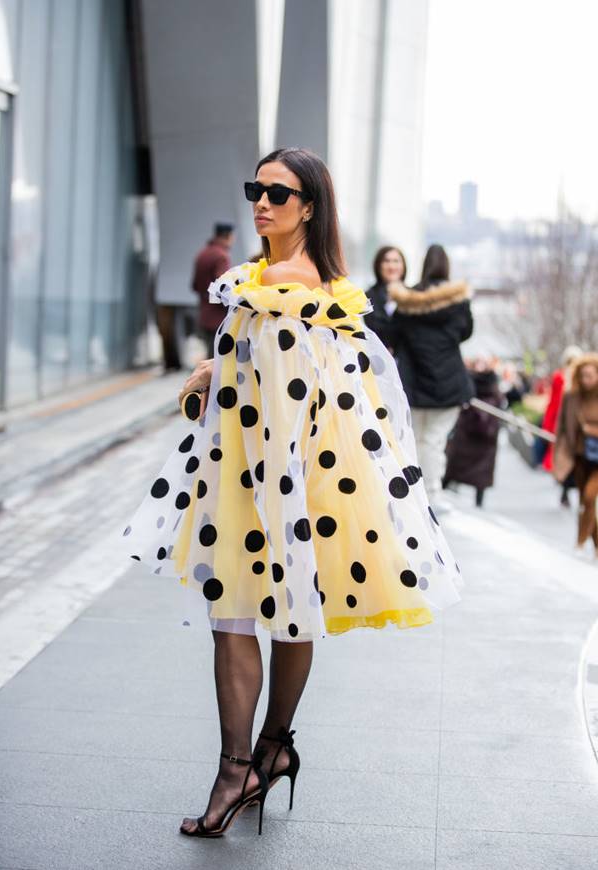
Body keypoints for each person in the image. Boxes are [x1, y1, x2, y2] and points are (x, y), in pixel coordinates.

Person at [121, 148, 463, 839]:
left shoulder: (281, 282)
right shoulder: (309, 286)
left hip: (264, 469)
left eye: (279, 192)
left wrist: (237, 421)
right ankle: (272, 750)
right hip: (306, 472)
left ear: (310, 206)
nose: (262, 201)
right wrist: (216, 369)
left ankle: (237, 769)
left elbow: (279, 397)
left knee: (236, 616)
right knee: (291, 608)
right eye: (257, 188)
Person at [385, 243, 474, 512]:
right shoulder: (458, 301)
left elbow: (392, 337)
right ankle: (432, 493)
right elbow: (465, 332)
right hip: (448, 383)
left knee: (413, 439)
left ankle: (411, 491)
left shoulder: (405, 301)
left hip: (414, 382)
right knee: (434, 441)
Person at [553, 353, 598, 556]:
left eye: (590, 375)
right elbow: (562, 426)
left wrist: (593, 431)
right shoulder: (571, 396)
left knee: (589, 497)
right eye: (583, 375)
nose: (586, 380)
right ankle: (596, 544)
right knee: (583, 500)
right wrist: (558, 455)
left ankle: (579, 542)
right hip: (579, 455)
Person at [443, 359, 503, 507]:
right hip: (485, 439)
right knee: (480, 475)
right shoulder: (493, 389)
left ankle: (439, 491)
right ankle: (479, 502)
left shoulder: (469, 385)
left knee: (454, 468)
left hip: (467, 436)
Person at [540, 345, 583, 506]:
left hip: (576, 425)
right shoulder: (560, 378)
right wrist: (549, 425)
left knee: (575, 459)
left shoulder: (582, 378)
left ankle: (574, 490)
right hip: (564, 423)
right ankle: (566, 490)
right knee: (565, 459)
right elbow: (554, 404)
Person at [191, 223, 235, 357]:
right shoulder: (221, 256)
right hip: (218, 317)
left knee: (210, 356)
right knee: (216, 361)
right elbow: (223, 288)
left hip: (204, 314)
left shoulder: (202, 254)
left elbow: (194, 285)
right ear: (227, 236)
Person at [364, 245, 408, 350]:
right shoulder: (368, 296)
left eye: (396, 261)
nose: (391, 266)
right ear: (378, 266)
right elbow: (373, 329)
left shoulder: (412, 295)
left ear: (403, 266)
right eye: (386, 261)